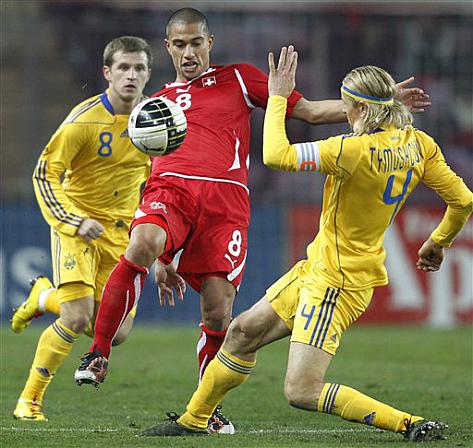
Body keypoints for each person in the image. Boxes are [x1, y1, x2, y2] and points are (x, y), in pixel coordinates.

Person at [74, 8, 430, 433]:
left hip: (225, 206)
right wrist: (163, 257)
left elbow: (311, 111)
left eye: (196, 43)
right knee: (142, 244)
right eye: (180, 45)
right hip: (172, 190)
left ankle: (205, 411)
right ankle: (98, 353)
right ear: (167, 47)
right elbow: (150, 165)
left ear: (209, 43)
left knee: (219, 312)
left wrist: (380, 105)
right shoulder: (157, 104)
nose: (189, 53)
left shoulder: (240, 79)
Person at [138, 46, 472, 441]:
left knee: (301, 390)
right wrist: (438, 242)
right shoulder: (420, 144)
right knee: (242, 332)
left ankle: (410, 423)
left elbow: (276, 155)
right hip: (320, 269)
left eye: (347, 106)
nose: (345, 113)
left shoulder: (350, 150)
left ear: (362, 109)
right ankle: (194, 420)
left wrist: (278, 96)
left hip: (337, 282)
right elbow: (463, 200)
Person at [12, 36, 154, 421]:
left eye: (139, 68)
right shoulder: (83, 120)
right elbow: (45, 175)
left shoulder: (155, 121)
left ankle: (44, 297)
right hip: (79, 225)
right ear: (107, 72)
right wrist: (73, 220)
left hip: (122, 234)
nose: (131, 75)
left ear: (148, 74)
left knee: (115, 333)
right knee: (76, 318)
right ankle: (29, 401)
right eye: (123, 67)